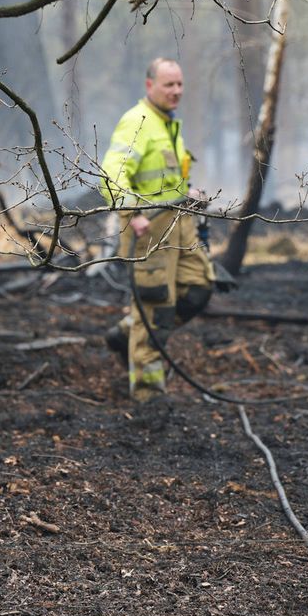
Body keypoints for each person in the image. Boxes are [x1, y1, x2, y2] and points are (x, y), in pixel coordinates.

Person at [99, 57, 215, 404]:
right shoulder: (137, 122)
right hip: (148, 234)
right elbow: (112, 173)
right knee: (157, 309)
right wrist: (132, 211)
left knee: (198, 289)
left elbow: (165, 181)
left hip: (180, 229)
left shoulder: (167, 124)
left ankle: (126, 332)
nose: (177, 91)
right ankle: (149, 396)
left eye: (180, 84)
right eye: (169, 84)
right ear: (150, 85)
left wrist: (188, 195)